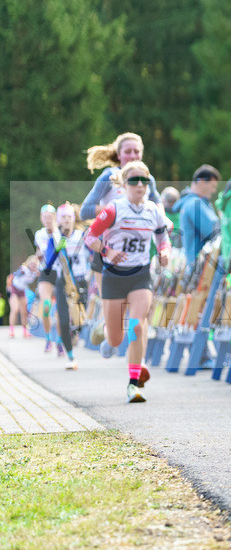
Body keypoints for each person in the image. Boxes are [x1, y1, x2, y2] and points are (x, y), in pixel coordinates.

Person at [85, 160, 171, 403]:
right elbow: (90, 236)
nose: (140, 186)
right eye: (134, 181)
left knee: (136, 325)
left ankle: (134, 385)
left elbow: (163, 238)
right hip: (114, 276)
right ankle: (104, 330)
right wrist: (107, 251)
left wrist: (164, 253)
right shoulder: (113, 209)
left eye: (144, 181)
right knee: (116, 338)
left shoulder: (153, 210)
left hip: (140, 275)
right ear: (123, 185)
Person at [81, 132, 161, 345]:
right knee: (117, 308)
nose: (133, 155)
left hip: (138, 252)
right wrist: (116, 211)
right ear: (119, 154)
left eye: (137, 151)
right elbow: (85, 210)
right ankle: (108, 330)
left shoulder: (147, 178)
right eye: (128, 151)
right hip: (107, 251)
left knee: (138, 308)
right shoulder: (108, 176)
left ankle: (136, 365)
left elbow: (159, 210)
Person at [46, 203, 91, 370]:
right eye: (63, 217)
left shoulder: (83, 236)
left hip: (80, 281)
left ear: (73, 219)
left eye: (69, 217)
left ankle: (75, 332)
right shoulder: (55, 237)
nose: (66, 220)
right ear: (58, 220)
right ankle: (70, 356)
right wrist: (58, 248)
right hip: (62, 282)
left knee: (81, 318)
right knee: (63, 321)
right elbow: (48, 265)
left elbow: (95, 254)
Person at [173, 164, 221, 264]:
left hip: (195, 266)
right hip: (201, 270)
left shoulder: (189, 202)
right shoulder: (195, 204)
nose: (214, 190)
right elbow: (214, 231)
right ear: (202, 181)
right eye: (212, 186)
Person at [33, 205, 59, 352]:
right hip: (46, 272)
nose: (47, 220)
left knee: (62, 311)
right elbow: (40, 251)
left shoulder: (61, 233)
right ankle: (48, 338)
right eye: (44, 217)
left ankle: (61, 341)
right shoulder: (39, 234)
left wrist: (55, 231)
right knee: (46, 305)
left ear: (54, 217)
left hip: (60, 272)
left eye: (50, 217)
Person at [7, 256, 40, 338]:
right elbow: (11, 276)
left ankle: (25, 331)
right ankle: (11, 330)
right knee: (15, 309)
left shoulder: (35, 272)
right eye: (32, 264)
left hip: (22, 291)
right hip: (14, 289)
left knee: (24, 312)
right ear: (29, 264)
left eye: (35, 265)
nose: (33, 266)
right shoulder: (23, 270)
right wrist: (9, 286)